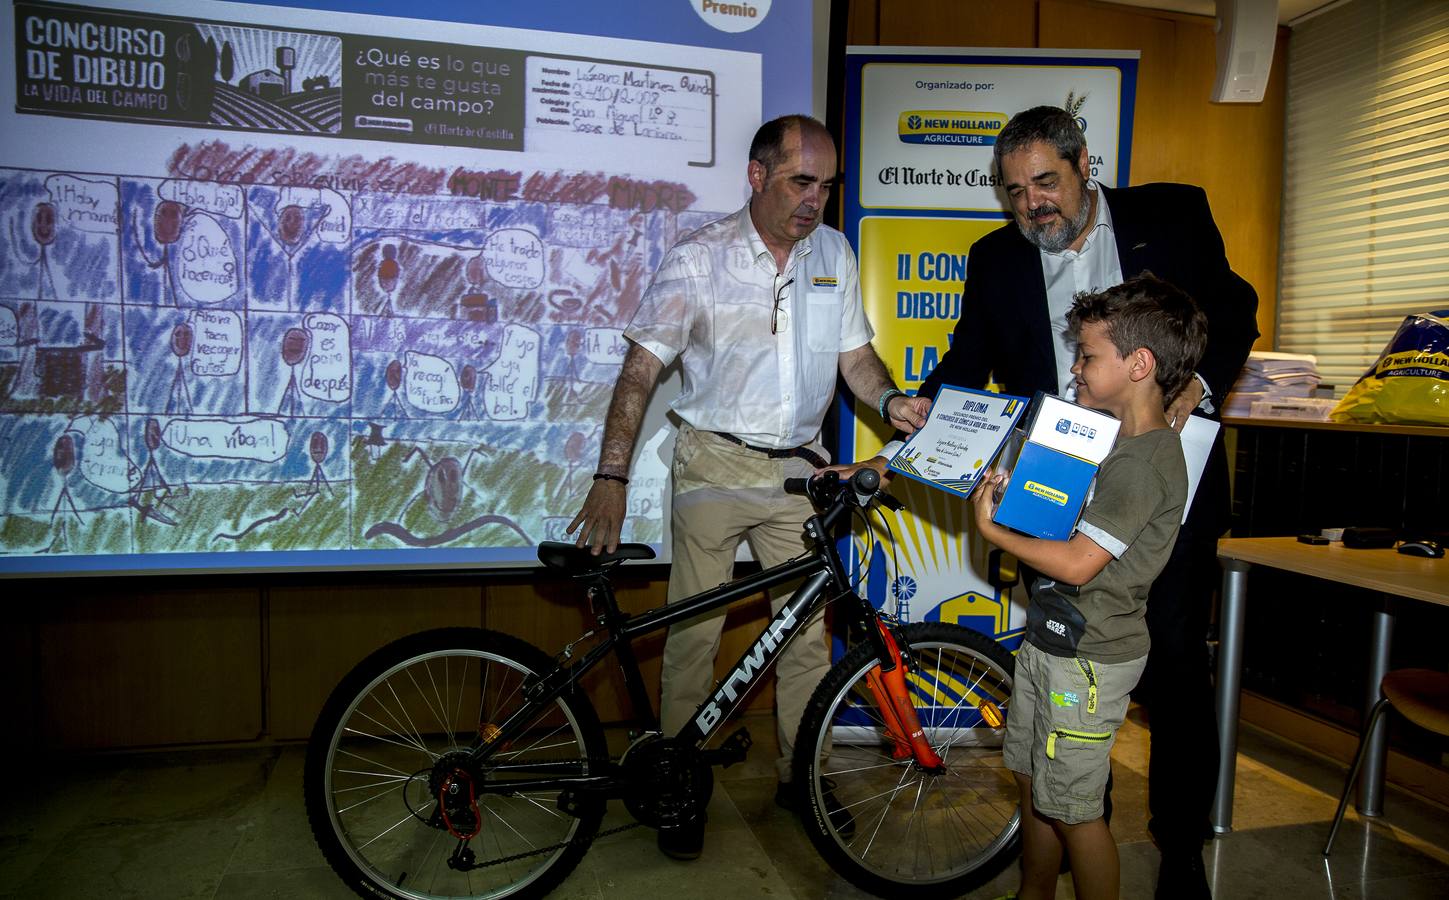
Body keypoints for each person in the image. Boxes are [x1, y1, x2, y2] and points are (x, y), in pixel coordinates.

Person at [871, 106, 1257, 897]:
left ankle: (1178, 846)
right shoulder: (995, 258)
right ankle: (1082, 809)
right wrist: (920, 415)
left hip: (1162, 476)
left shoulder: (1172, 214)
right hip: (1058, 489)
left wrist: (1196, 389)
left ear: (1086, 167)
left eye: (1044, 182)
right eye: (1012, 191)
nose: (1029, 205)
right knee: (1067, 655)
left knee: (1177, 667)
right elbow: (967, 358)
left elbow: (1236, 311)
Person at [567, 114, 927, 860]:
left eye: (825, 186)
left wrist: (889, 401)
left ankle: (801, 778)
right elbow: (640, 372)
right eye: (801, 182)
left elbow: (854, 357)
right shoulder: (698, 258)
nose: (814, 201)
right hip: (713, 462)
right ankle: (677, 781)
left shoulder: (833, 251)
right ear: (757, 176)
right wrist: (610, 475)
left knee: (801, 638)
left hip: (798, 467)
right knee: (694, 634)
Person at [971, 274, 1208, 900]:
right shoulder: (1108, 442)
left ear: (1139, 365)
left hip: (1091, 661)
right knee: (1034, 783)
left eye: (1089, 356)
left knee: (1077, 809)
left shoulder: (1147, 461)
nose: (1075, 369)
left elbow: (1077, 563)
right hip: (1051, 641)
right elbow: (1063, 519)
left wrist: (994, 530)